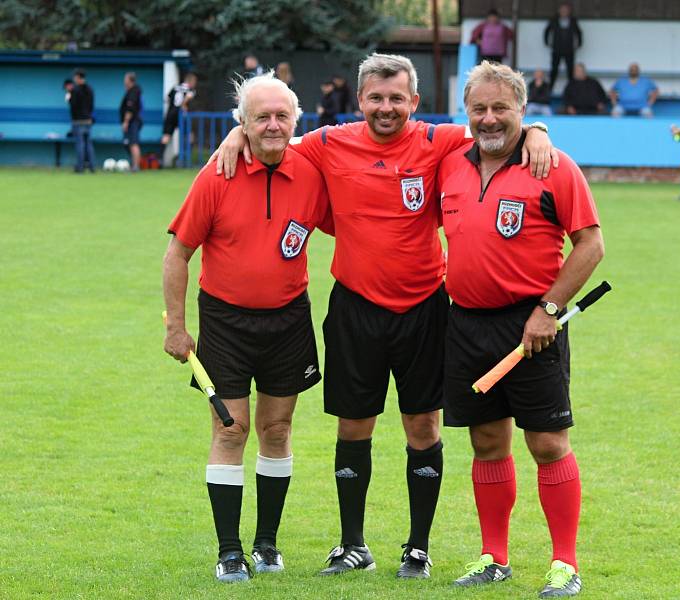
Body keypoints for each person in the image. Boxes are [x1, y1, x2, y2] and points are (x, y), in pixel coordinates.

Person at [211, 52, 558, 580]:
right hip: (355, 308)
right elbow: (273, 138)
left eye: (397, 98)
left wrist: (535, 129)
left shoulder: (439, 141)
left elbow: (497, 132)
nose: (386, 107)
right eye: (376, 97)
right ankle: (353, 545)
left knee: (423, 424)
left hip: (423, 308)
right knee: (354, 425)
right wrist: (238, 133)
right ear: (360, 101)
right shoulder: (330, 142)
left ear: (414, 102)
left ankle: (417, 548)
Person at [438, 61, 604, 597]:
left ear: (522, 112)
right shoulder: (450, 164)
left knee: (548, 443)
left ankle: (565, 563)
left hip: (532, 326)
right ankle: (494, 557)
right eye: (479, 109)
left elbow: (591, 246)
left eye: (501, 108)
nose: (490, 119)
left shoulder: (553, 167)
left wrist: (548, 311)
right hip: (464, 324)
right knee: (487, 443)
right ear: (467, 112)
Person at [162, 73, 332, 583]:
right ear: (243, 123)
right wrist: (176, 325)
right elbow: (178, 253)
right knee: (230, 428)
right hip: (225, 321)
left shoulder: (313, 171)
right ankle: (229, 550)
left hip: (288, 318)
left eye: (282, 116)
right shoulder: (218, 173)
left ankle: (267, 545)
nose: (273, 125)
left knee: (277, 429)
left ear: (297, 122)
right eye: (260, 117)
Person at [161, 72, 198, 165]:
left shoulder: (175, 87)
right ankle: (187, 159)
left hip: (170, 114)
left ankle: (160, 160)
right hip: (182, 115)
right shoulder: (191, 89)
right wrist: (183, 104)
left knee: (166, 137)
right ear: (191, 81)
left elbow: (166, 98)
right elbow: (188, 96)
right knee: (189, 135)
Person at [544, 3, 582, 90]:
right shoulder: (554, 20)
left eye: (566, 10)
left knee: (570, 70)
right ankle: (550, 88)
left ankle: (572, 89)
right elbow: (547, 31)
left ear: (569, 12)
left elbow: (579, 32)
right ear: (559, 11)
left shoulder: (573, 20)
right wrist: (546, 42)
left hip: (569, 50)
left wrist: (579, 43)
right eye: (562, 10)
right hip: (557, 49)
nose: (564, 12)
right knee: (554, 69)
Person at [69, 69, 95, 173]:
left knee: (80, 144)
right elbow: (92, 105)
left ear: (78, 77)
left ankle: (80, 167)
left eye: (75, 77)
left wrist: (69, 98)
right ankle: (92, 166)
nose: (74, 79)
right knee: (88, 144)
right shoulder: (90, 89)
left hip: (78, 121)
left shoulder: (75, 90)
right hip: (88, 120)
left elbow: (73, 105)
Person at [120, 72, 143, 171]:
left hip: (132, 121)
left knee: (134, 143)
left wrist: (126, 122)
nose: (124, 81)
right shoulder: (131, 91)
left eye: (125, 79)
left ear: (130, 80)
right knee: (129, 143)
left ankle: (136, 166)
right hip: (132, 121)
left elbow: (130, 108)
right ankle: (134, 164)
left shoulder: (134, 91)